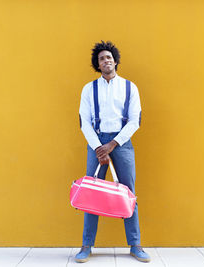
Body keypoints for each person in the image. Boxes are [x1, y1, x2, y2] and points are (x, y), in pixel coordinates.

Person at [76, 40, 150, 263]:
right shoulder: (89, 89)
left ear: (115, 61)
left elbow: (135, 120)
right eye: (101, 59)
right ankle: (86, 246)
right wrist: (99, 147)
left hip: (122, 143)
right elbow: (84, 121)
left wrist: (113, 144)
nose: (106, 61)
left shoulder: (130, 87)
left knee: (129, 194)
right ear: (97, 65)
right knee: (91, 194)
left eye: (109, 57)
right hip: (96, 142)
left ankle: (135, 245)